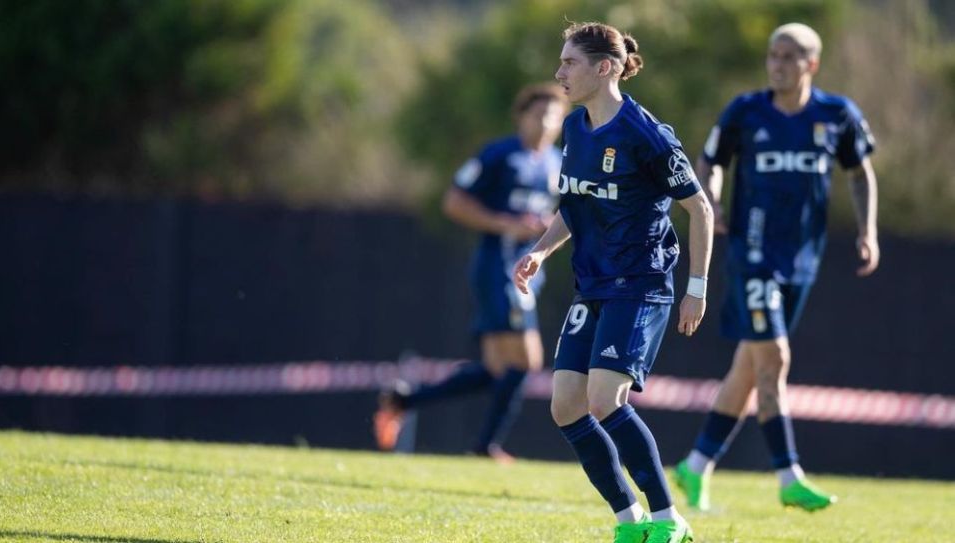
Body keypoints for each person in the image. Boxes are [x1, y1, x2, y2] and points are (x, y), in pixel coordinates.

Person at [514, 22, 713, 543]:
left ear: (604, 68)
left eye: (569, 63)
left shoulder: (647, 134)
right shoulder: (578, 130)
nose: (559, 72)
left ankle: (670, 519)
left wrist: (697, 288)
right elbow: (574, 204)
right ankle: (630, 521)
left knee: (605, 399)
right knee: (565, 405)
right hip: (593, 284)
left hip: (640, 284)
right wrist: (539, 251)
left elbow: (701, 209)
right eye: (559, 62)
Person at [674, 22, 879, 512]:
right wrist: (714, 204)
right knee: (776, 361)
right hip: (754, 256)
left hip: (802, 260)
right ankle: (789, 476)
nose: (777, 64)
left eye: (788, 56)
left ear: (811, 64)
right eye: (772, 55)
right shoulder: (746, 112)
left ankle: (695, 465)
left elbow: (860, 172)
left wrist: (868, 231)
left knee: (749, 368)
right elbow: (710, 162)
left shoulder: (836, 114)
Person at [373, 83, 568, 463]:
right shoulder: (498, 155)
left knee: (498, 370)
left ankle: (403, 401)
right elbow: (454, 201)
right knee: (528, 360)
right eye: (538, 114)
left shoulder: (559, 162)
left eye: (554, 117)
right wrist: (504, 223)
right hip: (498, 267)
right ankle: (485, 446)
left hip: (530, 268)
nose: (545, 123)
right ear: (521, 117)